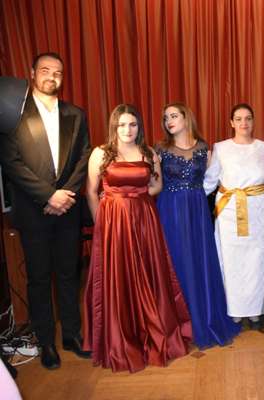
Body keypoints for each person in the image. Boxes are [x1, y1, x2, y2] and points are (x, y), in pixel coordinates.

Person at [84, 104, 192, 373]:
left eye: (132, 124)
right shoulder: (101, 153)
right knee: (119, 276)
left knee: (149, 274)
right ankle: (123, 338)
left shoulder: (148, 152)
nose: (127, 129)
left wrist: (136, 194)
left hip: (144, 220)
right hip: (113, 223)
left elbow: (157, 186)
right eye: (122, 124)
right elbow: (91, 192)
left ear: (139, 127)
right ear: (114, 126)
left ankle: (152, 331)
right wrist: (101, 224)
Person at [0, 52, 91, 369]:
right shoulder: (13, 113)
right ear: (32, 73)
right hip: (33, 210)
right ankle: (46, 343)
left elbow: (84, 156)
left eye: (58, 72)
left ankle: (72, 335)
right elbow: (11, 162)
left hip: (68, 208)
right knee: (39, 279)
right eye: (45, 70)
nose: (52, 76)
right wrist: (48, 196)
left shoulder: (76, 114)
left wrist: (65, 196)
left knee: (69, 274)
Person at [156, 102, 240, 348]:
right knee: (176, 261)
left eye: (174, 116)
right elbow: (152, 182)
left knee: (198, 261)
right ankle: (178, 322)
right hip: (170, 209)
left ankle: (202, 318)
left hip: (197, 210)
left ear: (186, 118)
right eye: (166, 117)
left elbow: (216, 180)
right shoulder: (160, 149)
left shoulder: (205, 149)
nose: (169, 121)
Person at [204, 103, 264, 328]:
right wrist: (190, 199)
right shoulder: (221, 148)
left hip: (257, 211)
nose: (243, 123)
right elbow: (210, 180)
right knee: (231, 259)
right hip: (229, 212)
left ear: (253, 121)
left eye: (248, 118)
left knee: (256, 258)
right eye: (238, 119)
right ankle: (234, 309)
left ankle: (255, 310)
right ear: (232, 122)